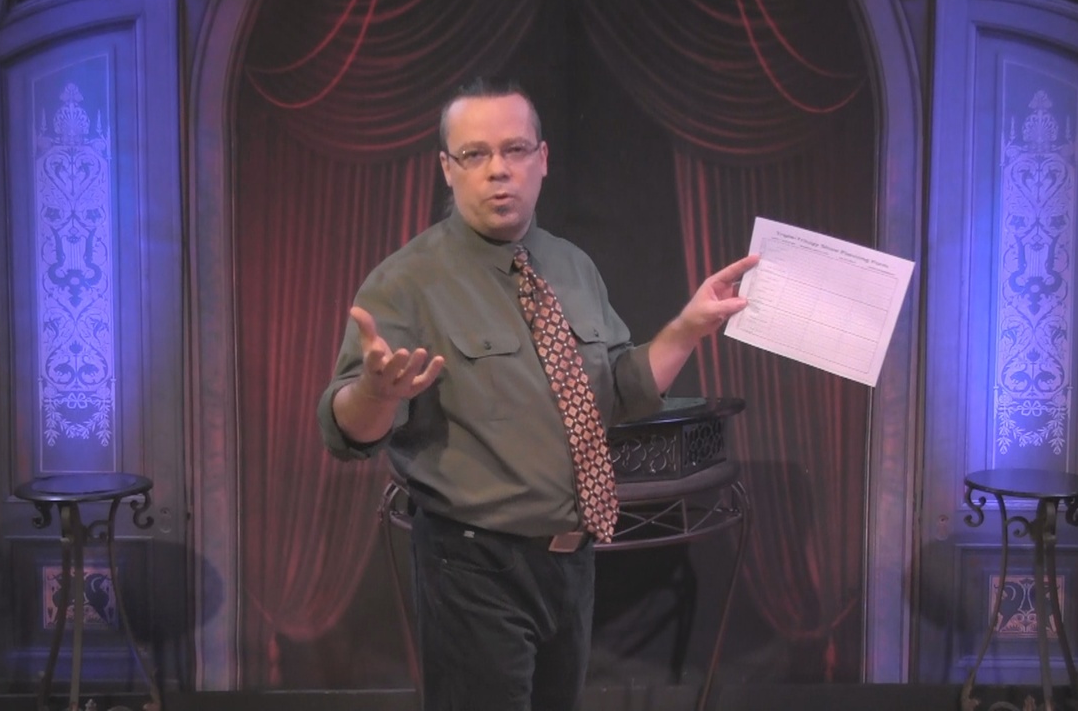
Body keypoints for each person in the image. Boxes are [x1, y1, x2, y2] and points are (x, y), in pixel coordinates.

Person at [317, 77, 758, 711]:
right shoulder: (407, 282)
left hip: (571, 563)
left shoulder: (572, 266)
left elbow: (621, 392)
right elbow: (346, 432)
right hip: (474, 566)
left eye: (515, 149)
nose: (498, 170)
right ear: (447, 168)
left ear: (542, 159)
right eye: (474, 154)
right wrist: (375, 393)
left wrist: (688, 327)